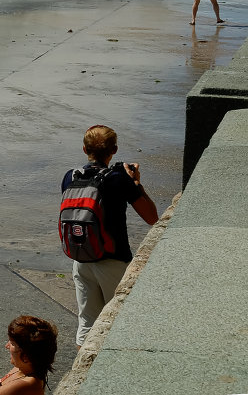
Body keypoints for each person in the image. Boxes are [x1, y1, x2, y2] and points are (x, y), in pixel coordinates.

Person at [62, 125, 158, 349]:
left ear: (84, 148)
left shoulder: (70, 177)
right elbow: (152, 217)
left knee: (86, 323)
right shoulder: (117, 179)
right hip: (113, 261)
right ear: (114, 149)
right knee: (119, 321)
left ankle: (82, 376)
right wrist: (136, 183)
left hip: (81, 258)